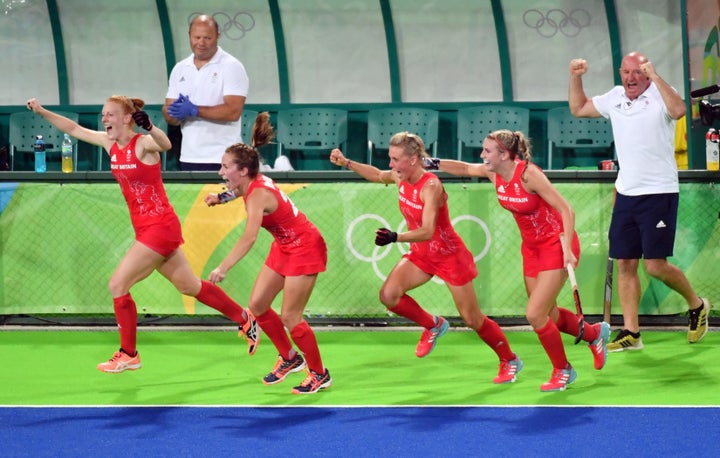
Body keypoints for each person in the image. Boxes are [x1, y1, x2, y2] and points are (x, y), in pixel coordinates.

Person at [26, 96, 259, 373]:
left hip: (159, 226)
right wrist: (42, 111)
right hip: (149, 228)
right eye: (103, 115)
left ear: (127, 118)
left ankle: (128, 353)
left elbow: (166, 144)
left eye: (110, 115)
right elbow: (74, 129)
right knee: (188, 286)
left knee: (117, 285)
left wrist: (149, 126)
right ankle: (245, 318)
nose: (104, 120)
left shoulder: (144, 144)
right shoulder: (109, 143)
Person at [329, 132, 522, 385]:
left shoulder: (431, 186)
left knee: (472, 318)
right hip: (422, 255)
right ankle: (433, 325)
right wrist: (346, 162)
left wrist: (395, 237)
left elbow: (428, 230)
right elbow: (377, 174)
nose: (391, 164)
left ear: (412, 160)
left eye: (395, 159)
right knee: (389, 296)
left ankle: (509, 359)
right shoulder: (400, 177)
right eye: (390, 158)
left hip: (448, 255)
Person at [424, 130, 610, 392]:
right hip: (531, 249)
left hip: (557, 245)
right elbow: (465, 167)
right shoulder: (494, 173)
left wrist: (568, 247)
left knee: (535, 314)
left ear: (504, 154)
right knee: (550, 314)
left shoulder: (528, 175)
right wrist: (430, 163)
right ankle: (594, 335)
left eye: (487, 151)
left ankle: (563, 370)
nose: (482, 155)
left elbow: (566, 209)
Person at [568, 52, 711, 351]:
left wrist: (657, 77)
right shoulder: (615, 97)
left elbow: (680, 110)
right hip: (626, 193)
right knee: (625, 264)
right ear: (620, 73)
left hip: (659, 192)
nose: (631, 78)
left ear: (647, 73)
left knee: (656, 266)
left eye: (638, 72)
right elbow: (579, 108)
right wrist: (576, 76)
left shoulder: (660, 94)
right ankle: (631, 332)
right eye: (626, 72)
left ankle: (697, 306)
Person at [204, 113, 331, 394]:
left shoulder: (258, 193)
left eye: (226, 168)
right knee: (259, 305)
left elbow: (249, 237)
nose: (221, 172)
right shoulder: (252, 183)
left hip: (305, 246)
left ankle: (320, 373)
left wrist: (223, 267)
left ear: (243, 171)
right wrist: (220, 198)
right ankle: (289, 358)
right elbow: (238, 192)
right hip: (285, 245)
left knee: (291, 317)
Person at [163, 14, 249, 171]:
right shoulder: (180, 68)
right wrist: (174, 114)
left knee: (220, 197)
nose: (201, 43)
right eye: (196, 37)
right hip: (188, 157)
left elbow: (233, 111)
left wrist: (195, 110)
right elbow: (169, 114)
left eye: (207, 38)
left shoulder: (231, 66)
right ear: (189, 35)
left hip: (224, 157)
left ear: (218, 36)